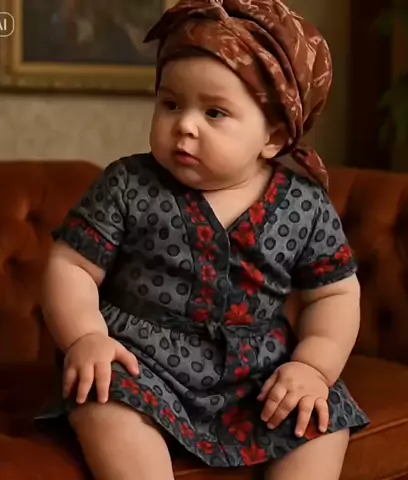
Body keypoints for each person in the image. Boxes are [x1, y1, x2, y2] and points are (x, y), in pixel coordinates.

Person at [37, 1, 370, 478]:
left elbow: (334, 294)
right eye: (171, 104)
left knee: (320, 417)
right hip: (142, 362)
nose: (185, 125)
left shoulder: (305, 204)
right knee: (105, 398)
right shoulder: (128, 184)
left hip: (258, 375)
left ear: (274, 136)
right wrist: (86, 337)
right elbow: (71, 265)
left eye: (214, 112)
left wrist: (314, 367)